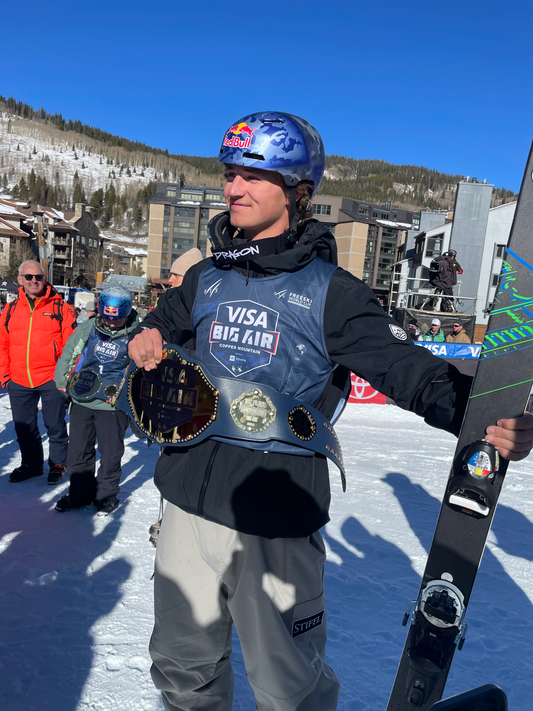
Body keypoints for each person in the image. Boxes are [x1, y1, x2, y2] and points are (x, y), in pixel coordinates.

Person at [127, 111, 533, 711]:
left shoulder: (332, 292)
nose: (233, 188)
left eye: (253, 177)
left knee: (289, 689)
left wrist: (484, 418)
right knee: (183, 672)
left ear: (297, 191)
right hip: (185, 502)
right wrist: (147, 338)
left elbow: (406, 370)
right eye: (230, 173)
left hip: (277, 519)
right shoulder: (205, 279)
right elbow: (158, 326)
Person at [54, 285, 140, 514]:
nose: (112, 324)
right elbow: (70, 352)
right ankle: (80, 493)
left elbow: (142, 370)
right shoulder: (90, 327)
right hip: (83, 398)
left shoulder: (137, 332)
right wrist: (62, 379)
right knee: (78, 452)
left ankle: (105, 496)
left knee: (111, 454)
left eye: (118, 320)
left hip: (113, 404)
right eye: (108, 319)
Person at [0, 260, 77, 484]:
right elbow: (3, 344)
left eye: (38, 277)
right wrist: (5, 375)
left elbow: (73, 347)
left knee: (55, 425)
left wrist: (66, 377)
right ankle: (32, 465)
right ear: (21, 280)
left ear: (45, 279)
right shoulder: (11, 309)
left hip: (51, 378)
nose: (34, 281)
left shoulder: (61, 308)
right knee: (24, 428)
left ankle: (58, 464)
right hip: (19, 379)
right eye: (28, 277)